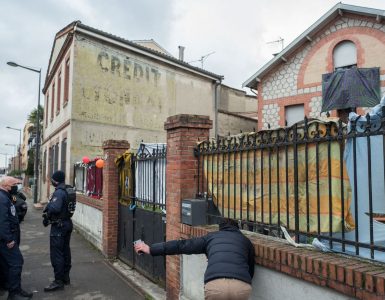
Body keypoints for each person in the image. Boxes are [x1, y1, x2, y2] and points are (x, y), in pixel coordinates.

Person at [134, 218, 255, 300]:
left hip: (215, 286)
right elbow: (250, 270)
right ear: (237, 228)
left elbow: (182, 245)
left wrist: (152, 249)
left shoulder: (211, 238)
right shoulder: (245, 241)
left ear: (220, 228)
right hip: (241, 286)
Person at [0, 176, 33, 300]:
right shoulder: (2, 199)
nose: (16, 186)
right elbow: (2, 222)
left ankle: (16, 289)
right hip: (6, 240)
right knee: (16, 263)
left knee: (7, 265)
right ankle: (14, 293)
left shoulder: (6, 197)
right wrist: (9, 239)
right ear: (6, 186)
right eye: (14, 184)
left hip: (8, 236)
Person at [43, 170, 73, 292]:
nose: (51, 181)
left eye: (52, 179)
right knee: (65, 251)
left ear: (55, 180)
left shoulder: (59, 193)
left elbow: (55, 208)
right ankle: (65, 278)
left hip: (59, 226)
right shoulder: (67, 189)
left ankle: (58, 281)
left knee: (57, 254)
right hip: (67, 223)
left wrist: (48, 208)